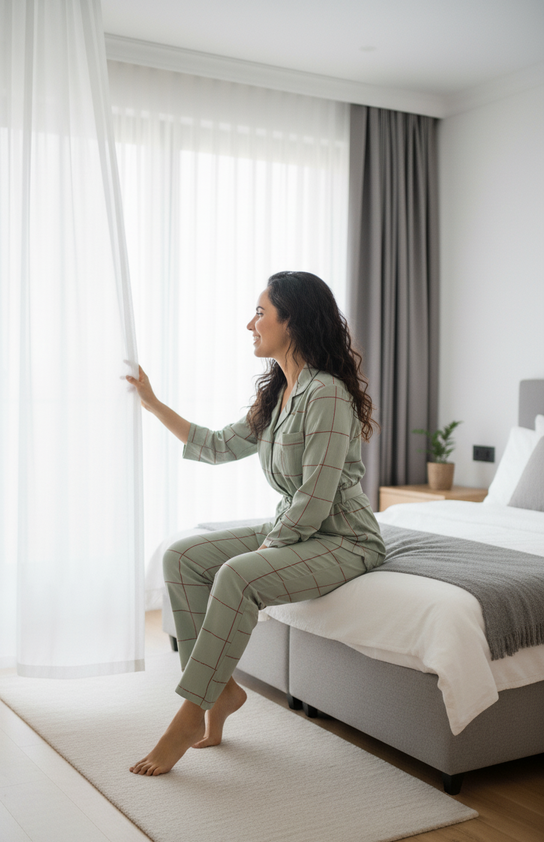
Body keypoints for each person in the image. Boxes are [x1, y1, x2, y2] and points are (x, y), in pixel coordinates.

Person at [126, 270, 385, 776]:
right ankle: (220, 693)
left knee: (237, 574)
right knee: (181, 556)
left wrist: (267, 550)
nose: (251, 323)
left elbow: (315, 497)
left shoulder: (327, 395)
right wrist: (153, 404)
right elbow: (218, 445)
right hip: (300, 524)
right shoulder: (280, 393)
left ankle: (188, 716)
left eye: (261, 313)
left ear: (293, 321)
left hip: (346, 539)